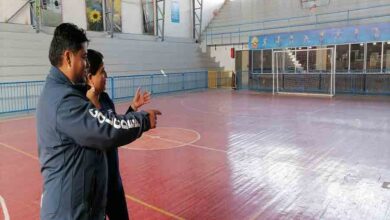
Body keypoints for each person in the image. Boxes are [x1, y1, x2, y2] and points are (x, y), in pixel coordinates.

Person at [36, 23, 161, 220]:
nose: (86, 65)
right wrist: (142, 119)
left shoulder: (65, 94)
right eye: (83, 58)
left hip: (85, 207)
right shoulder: (65, 102)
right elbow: (105, 129)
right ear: (68, 57)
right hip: (70, 213)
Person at [85, 49, 151, 220]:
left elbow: (115, 129)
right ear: (89, 77)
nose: (106, 76)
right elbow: (101, 134)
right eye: (101, 72)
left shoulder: (105, 99)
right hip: (95, 188)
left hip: (114, 182)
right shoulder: (81, 107)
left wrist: (133, 109)